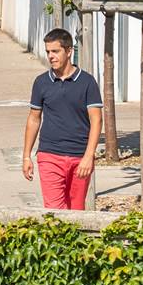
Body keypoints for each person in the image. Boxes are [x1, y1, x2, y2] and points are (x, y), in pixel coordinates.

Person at [22, 28, 103, 210]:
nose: (51, 56)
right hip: (49, 154)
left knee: (76, 210)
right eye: (48, 52)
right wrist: (26, 156)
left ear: (69, 51)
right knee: (55, 212)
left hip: (79, 156)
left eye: (55, 51)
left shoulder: (88, 82)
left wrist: (89, 156)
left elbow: (96, 121)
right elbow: (34, 119)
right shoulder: (41, 82)